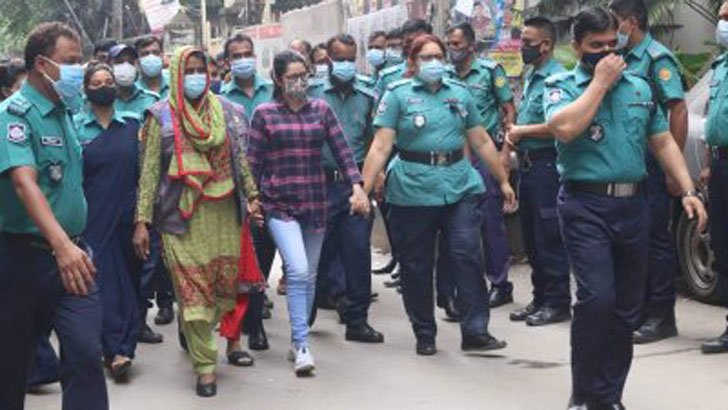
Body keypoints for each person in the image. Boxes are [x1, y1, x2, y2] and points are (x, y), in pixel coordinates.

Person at [543, 8, 706, 409]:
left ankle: (609, 395)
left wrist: (687, 189)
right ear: (576, 47)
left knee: (626, 308)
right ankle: (583, 394)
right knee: (597, 299)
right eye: (595, 45)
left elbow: (662, 141)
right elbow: (565, 129)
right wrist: (599, 84)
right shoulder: (562, 86)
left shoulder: (639, 87)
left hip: (634, 205)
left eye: (610, 44)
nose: (606, 52)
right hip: (585, 205)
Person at [360, 34, 515, 356]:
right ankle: (424, 332)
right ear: (412, 63)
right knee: (416, 265)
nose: (434, 63)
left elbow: (481, 140)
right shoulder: (397, 95)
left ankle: (475, 331)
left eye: (438, 57)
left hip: (459, 184)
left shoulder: (459, 93)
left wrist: (502, 181)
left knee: (468, 255)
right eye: (426, 58)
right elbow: (380, 146)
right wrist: (363, 189)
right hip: (413, 189)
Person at [133, 46, 263, 397]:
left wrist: (252, 197)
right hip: (180, 220)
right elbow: (149, 174)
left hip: (223, 216)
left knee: (220, 290)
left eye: (200, 70)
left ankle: (198, 334)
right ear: (176, 74)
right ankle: (205, 368)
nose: (195, 77)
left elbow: (239, 160)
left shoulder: (227, 110)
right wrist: (142, 221)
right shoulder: (159, 116)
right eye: (187, 70)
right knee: (193, 293)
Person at [0, 22, 108, 410]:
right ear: (42, 65)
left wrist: (69, 248)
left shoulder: (66, 112)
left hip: (75, 257)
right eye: (71, 62)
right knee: (11, 365)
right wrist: (60, 246)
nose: (79, 70)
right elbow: (23, 182)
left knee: (85, 352)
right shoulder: (12, 116)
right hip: (23, 259)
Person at [247, 50, 369, 376]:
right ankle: (302, 345)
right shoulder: (265, 114)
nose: (300, 82)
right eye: (293, 76)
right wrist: (251, 199)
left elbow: (343, 151)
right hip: (279, 204)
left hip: (316, 203)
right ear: (278, 79)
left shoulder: (321, 110)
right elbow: (252, 163)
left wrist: (357, 186)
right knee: (298, 269)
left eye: (304, 75)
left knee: (310, 274)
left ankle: (297, 338)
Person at [607, 0, 689, 346]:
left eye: (615, 23)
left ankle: (661, 315)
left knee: (656, 240)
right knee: (634, 239)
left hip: (653, 163)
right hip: (629, 162)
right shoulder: (621, 59)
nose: (612, 30)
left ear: (630, 22)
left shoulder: (657, 59)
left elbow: (678, 110)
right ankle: (638, 311)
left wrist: (673, 168)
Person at [308, 34, 384, 343]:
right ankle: (305, 317)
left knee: (357, 253)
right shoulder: (312, 94)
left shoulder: (366, 95)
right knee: (317, 254)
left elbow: (373, 140)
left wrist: (373, 178)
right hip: (319, 186)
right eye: (339, 59)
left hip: (354, 187)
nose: (346, 65)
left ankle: (357, 321)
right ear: (328, 60)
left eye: (351, 59)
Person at [73, 63, 143, 382]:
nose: (104, 87)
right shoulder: (75, 128)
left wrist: (143, 222)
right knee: (105, 282)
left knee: (131, 282)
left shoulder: (132, 125)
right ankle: (117, 349)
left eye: (108, 81)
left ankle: (122, 343)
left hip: (128, 218)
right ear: (86, 90)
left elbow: (144, 177)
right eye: (96, 83)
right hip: (92, 218)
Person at [504, 17, 571, 326]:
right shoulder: (533, 76)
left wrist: (522, 131)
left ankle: (557, 302)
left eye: (527, 42)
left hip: (547, 165)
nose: (522, 48)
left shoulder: (557, 78)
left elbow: (560, 125)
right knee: (531, 237)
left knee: (549, 236)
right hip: (529, 166)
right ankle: (540, 297)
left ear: (545, 45)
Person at [445, 21, 516, 310]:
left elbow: (508, 109)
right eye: (449, 44)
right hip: (452, 157)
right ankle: (463, 285)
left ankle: (500, 284)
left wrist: (505, 152)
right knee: (457, 224)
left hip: (484, 155)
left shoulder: (489, 72)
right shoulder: (445, 75)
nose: (452, 49)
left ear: (471, 46)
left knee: (490, 222)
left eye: (457, 44)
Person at [221, 32, 276, 352]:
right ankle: (254, 326)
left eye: (247, 53)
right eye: (236, 55)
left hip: (276, 183)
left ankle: (257, 307)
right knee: (250, 255)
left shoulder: (272, 91)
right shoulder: (220, 99)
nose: (243, 59)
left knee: (267, 253)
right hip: (240, 189)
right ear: (227, 61)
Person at [134, 35, 177, 335]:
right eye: (145, 53)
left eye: (155, 51)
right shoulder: (130, 92)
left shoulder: (176, 87)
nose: (151, 56)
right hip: (144, 178)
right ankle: (142, 312)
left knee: (170, 249)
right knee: (149, 251)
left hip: (174, 182)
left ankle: (167, 301)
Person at [701, 0, 728, 355]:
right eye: (721, 17)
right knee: (723, 246)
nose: (721, 24)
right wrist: (708, 164)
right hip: (721, 165)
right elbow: (714, 119)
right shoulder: (721, 65)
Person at [375, 19, 433, 99]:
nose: (416, 46)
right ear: (403, 43)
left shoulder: (445, 74)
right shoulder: (388, 78)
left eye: (421, 42)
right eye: (410, 41)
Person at [109, 44, 160, 118]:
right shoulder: (102, 100)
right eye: (119, 62)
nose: (126, 66)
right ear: (109, 65)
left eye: (130, 62)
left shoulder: (151, 99)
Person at [135, 35, 169, 99]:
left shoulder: (175, 83)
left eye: (155, 53)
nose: (151, 57)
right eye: (145, 54)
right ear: (137, 60)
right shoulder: (133, 90)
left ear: (162, 55)